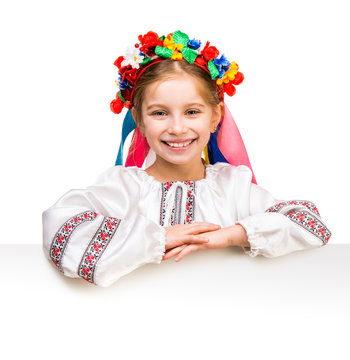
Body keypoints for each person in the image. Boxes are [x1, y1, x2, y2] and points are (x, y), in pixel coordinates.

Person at [42, 30, 332, 287]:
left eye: (192, 112)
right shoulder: (125, 187)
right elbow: (60, 226)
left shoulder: (233, 187)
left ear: (215, 116)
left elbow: (310, 223)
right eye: (159, 113)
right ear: (139, 120)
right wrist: (156, 238)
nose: (178, 128)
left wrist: (234, 234)